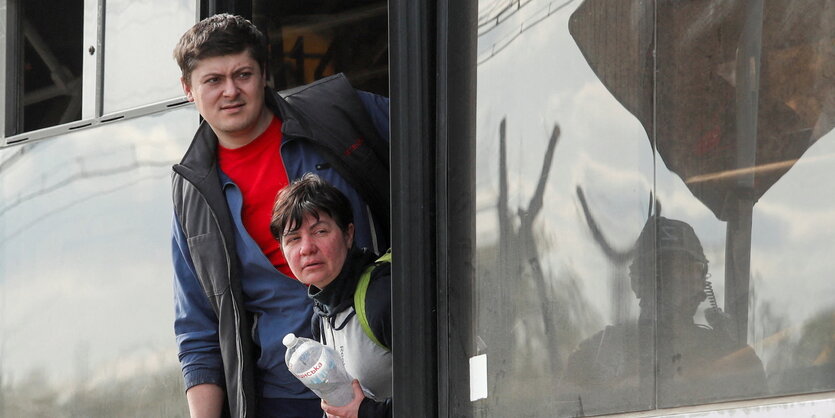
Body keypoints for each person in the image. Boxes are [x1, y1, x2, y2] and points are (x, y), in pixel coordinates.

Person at [170, 14, 389, 418]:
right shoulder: (192, 192)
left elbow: (438, 144)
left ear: (264, 73)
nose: (231, 91)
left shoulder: (337, 114)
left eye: (243, 74)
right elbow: (198, 332)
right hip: (279, 396)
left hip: (378, 378)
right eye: (213, 80)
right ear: (189, 89)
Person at [562, 217, 766, 413]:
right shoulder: (595, 356)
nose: (671, 280)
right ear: (639, 280)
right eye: (661, 270)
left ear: (702, 280)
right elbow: (564, 407)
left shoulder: (736, 360)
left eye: (684, 269)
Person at [271, 174, 392, 418]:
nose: (306, 248)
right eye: (293, 239)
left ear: (348, 235)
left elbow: (451, 385)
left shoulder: (382, 297)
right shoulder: (323, 318)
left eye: (320, 231)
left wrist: (369, 412)